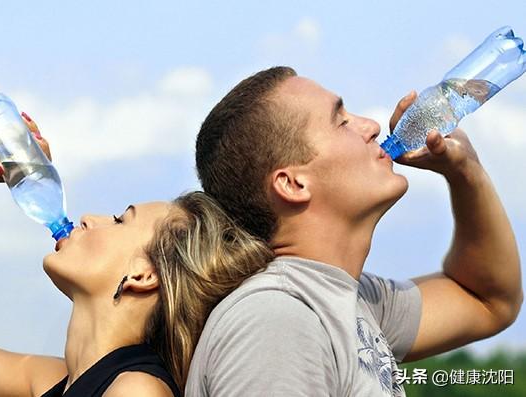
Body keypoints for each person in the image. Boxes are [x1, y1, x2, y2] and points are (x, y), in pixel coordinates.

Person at [187, 66, 523, 396]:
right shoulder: (276, 322)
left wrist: (465, 170)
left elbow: (489, 301)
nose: (373, 126)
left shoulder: (352, 301)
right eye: (342, 121)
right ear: (292, 184)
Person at [0, 114, 273, 397]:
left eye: (121, 220)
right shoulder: (52, 382)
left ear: (143, 274)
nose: (89, 218)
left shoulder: (136, 391)